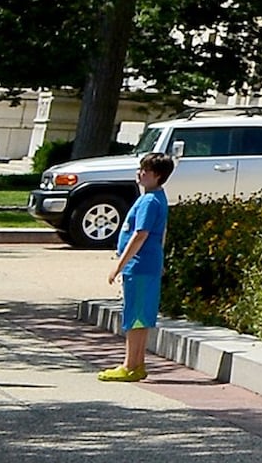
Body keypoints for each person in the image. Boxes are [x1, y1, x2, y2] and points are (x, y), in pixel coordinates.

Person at [97, 150, 173, 382]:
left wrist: (119, 265)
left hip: (139, 266)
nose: (139, 174)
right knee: (141, 315)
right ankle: (137, 363)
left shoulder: (149, 201)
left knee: (135, 316)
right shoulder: (155, 197)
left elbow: (140, 235)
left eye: (146, 171)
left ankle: (130, 365)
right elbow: (162, 234)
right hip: (147, 264)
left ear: (158, 175)